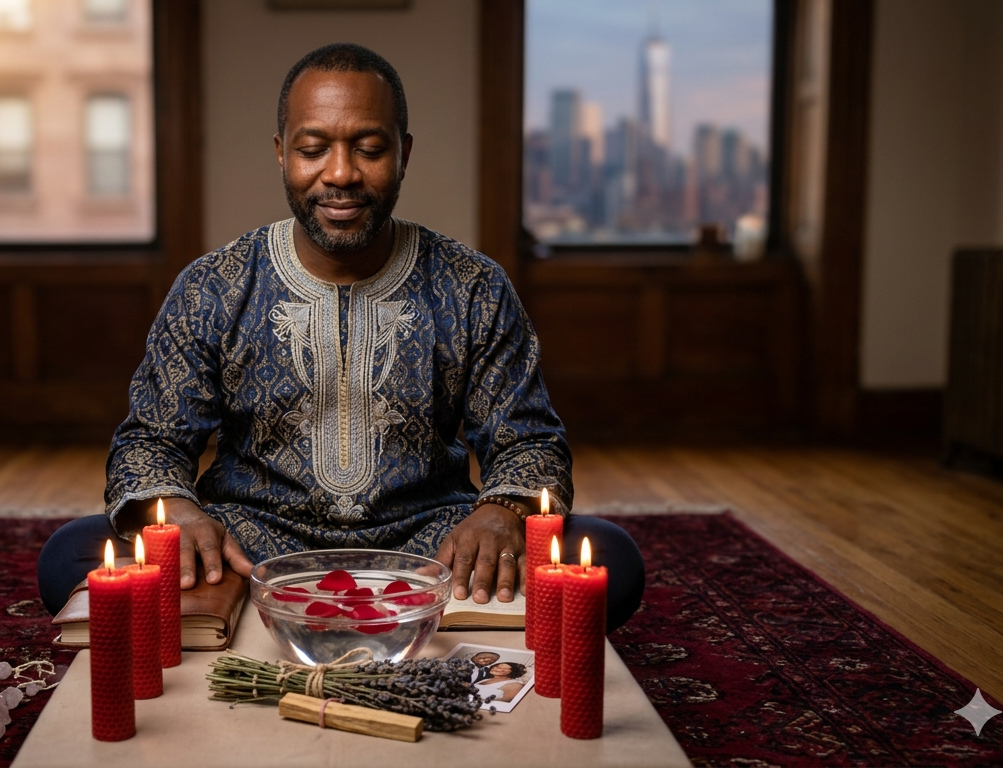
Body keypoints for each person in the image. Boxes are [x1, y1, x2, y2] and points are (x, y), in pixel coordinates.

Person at [37, 43, 645, 633]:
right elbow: (150, 442)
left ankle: (286, 623)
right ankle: (281, 610)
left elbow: (531, 443)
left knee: (612, 558)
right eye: (312, 149)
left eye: (370, 149)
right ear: (281, 154)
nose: (340, 174)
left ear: (404, 153)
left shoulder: (473, 285)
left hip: (431, 546)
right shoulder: (213, 286)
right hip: (249, 543)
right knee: (71, 555)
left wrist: (497, 513)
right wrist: (182, 518)